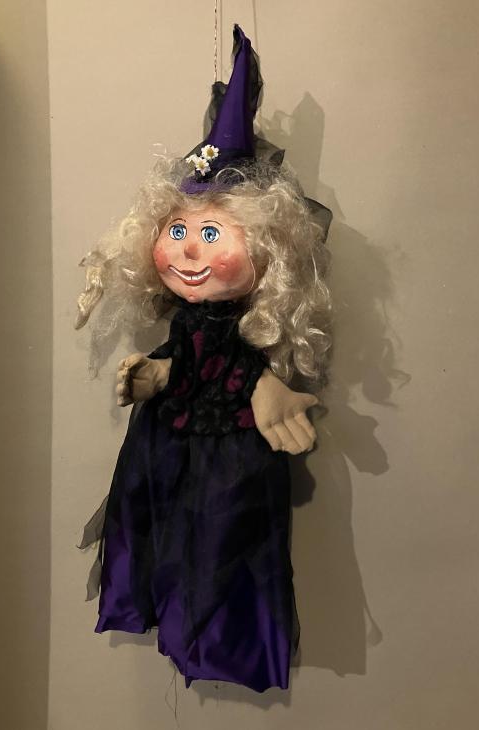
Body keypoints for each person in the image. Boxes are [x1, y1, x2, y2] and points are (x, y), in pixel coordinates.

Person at [76, 25, 332, 693]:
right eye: (178, 230)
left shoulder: (245, 327)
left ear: (267, 253)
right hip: (160, 445)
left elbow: (235, 362)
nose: (188, 249)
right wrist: (157, 372)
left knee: (223, 544)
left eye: (211, 232)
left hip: (230, 453)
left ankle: (218, 645)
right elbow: (185, 359)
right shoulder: (183, 318)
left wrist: (266, 385)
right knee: (152, 528)